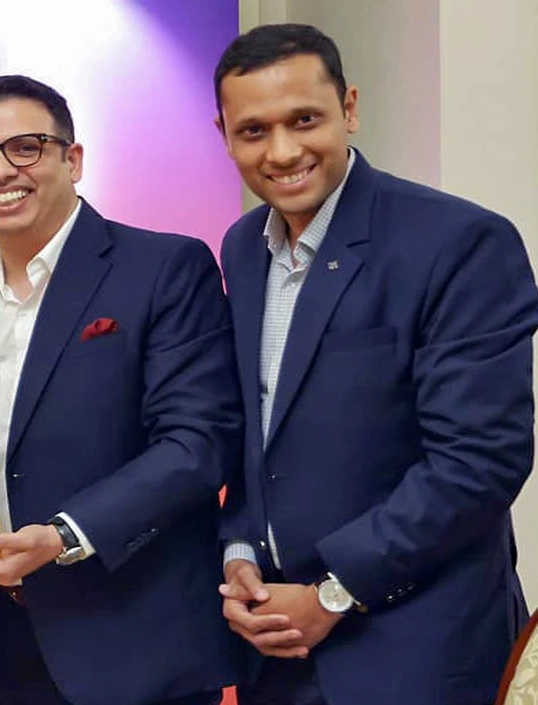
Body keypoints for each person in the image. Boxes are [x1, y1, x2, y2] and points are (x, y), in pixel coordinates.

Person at [212, 23, 538, 705]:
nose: (282, 151)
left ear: (349, 108)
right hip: (276, 652)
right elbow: (257, 435)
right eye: (254, 131)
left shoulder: (458, 241)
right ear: (225, 135)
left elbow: (479, 460)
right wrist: (239, 552)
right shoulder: (242, 247)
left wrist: (333, 593)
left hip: (417, 653)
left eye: (305, 120)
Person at [0, 74, 244, 705]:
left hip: (136, 638)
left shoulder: (164, 268)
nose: (0, 172)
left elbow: (198, 443)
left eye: (26, 148)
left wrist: (65, 535)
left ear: (73, 159)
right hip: (7, 634)